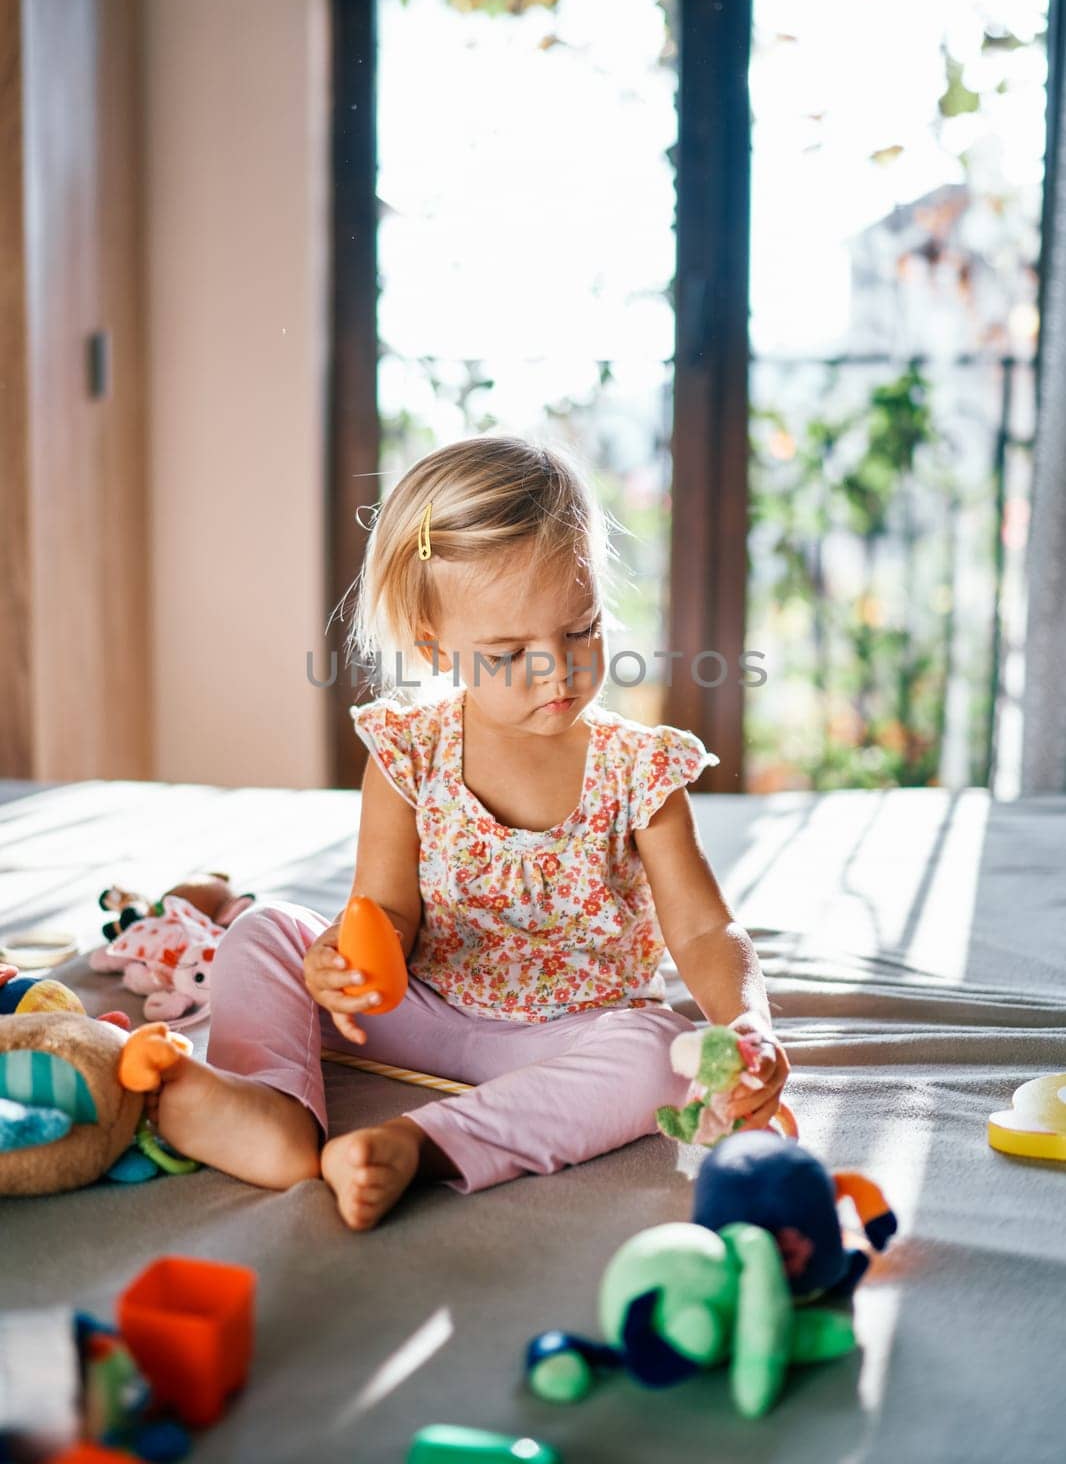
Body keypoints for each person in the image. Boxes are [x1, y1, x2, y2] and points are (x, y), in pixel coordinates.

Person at [148, 434, 790, 1230]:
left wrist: (747, 1024)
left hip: (563, 1035)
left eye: (580, 629)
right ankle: (270, 1111)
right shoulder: (407, 756)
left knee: (661, 1052)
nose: (557, 670)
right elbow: (382, 914)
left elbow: (701, 927)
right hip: (418, 1007)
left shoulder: (639, 771)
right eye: (511, 651)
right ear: (433, 646)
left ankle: (422, 1144)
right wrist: (342, 967)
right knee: (264, 930)